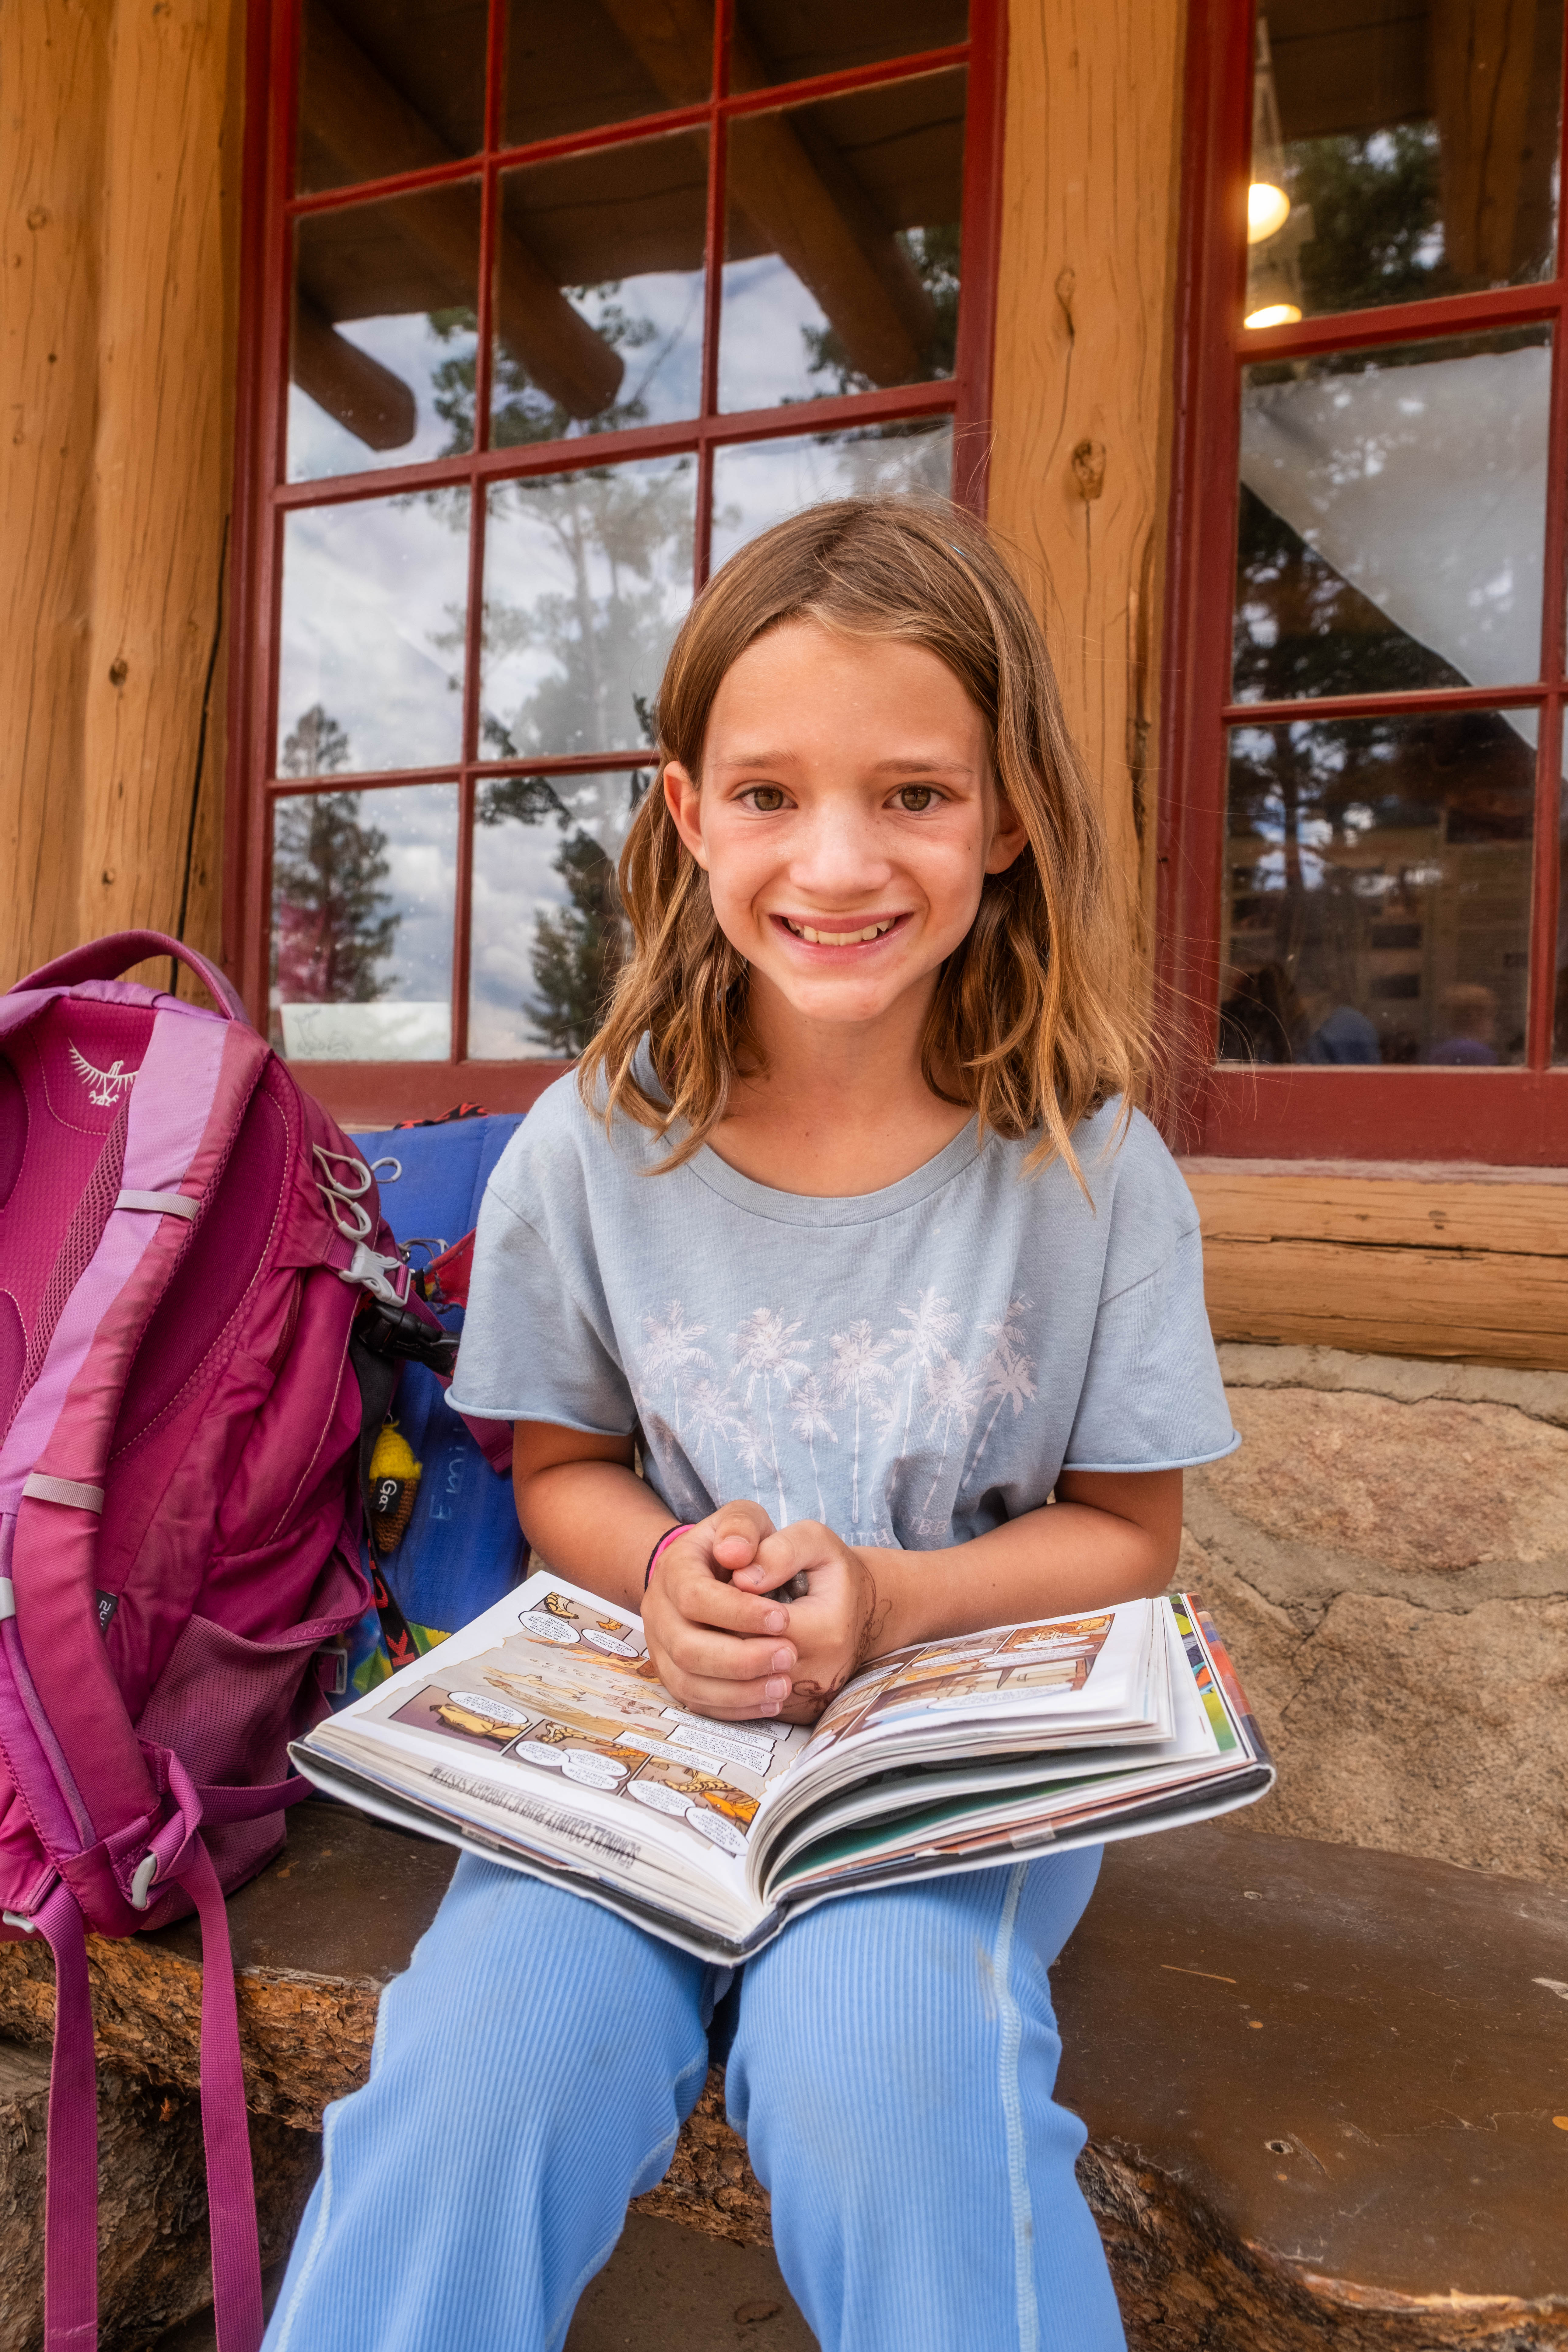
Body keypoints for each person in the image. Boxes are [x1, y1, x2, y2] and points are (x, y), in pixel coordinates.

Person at [262, 501, 1239, 2352]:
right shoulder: (592, 1146)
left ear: (1008, 817)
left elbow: (1131, 1538)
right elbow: (559, 1474)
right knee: (480, 2071)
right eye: (771, 794)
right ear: (689, 812)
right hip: (646, 1742)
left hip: (946, 1767)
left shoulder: (1096, 1173)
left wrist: (890, 1595)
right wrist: (660, 1567)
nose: (839, 860)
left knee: (887, 2074)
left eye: (916, 795)